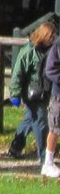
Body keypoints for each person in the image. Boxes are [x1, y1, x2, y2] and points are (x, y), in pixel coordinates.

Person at [9, 22, 56, 162]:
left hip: (45, 89)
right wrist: (15, 94)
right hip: (32, 93)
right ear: (44, 36)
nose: (53, 39)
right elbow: (17, 73)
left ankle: (15, 147)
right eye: (51, 37)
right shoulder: (28, 51)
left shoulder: (51, 49)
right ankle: (43, 156)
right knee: (41, 122)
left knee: (30, 119)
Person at [42, 33, 60, 178]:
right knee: (55, 128)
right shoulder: (58, 45)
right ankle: (48, 163)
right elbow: (50, 70)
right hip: (58, 95)